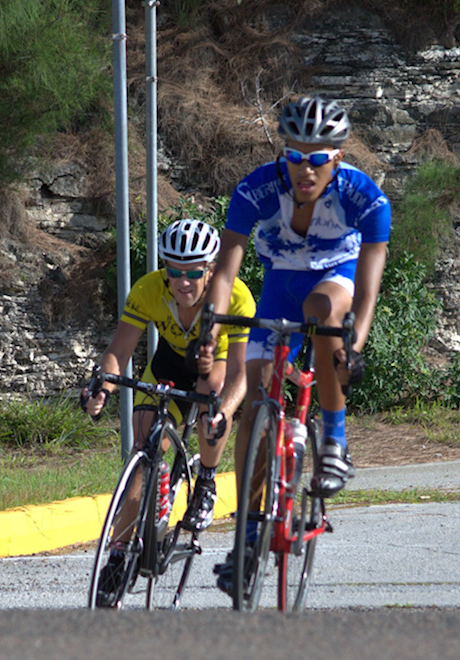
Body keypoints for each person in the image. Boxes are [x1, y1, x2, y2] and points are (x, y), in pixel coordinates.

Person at [202, 95, 389, 593]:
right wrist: (213, 325)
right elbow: (226, 268)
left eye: (318, 159)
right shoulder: (258, 189)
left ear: (337, 159)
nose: (305, 169)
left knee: (324, 316)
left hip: (335, 279)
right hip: (280, 283)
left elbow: (368, 288)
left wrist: (356, 342)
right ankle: (246, 533)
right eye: (295, 156)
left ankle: (334, 439)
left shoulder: (364, 197)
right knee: (259, 401)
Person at [82, 218, 255, 607]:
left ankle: (206, 479)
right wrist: (103, 386)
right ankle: (119, 554)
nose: (183, 282)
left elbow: (242, 374)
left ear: (211, 268)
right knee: (144, 456)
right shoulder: (148, 289)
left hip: (217, 366)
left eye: (193, 272)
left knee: (211, 397)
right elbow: (119, 352)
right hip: (169, 363)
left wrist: (223, 411)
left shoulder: (238, 297)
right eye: (173, 271)